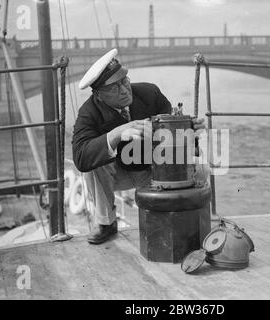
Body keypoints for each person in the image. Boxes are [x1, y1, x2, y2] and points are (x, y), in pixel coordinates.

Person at [72, 49, 205, 245]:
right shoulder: (88, 113)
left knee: (201, 165)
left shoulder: (149, 93)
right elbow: (81, 158)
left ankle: (197, 221)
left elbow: (174, 142)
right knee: (93, 163)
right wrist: (115, 134)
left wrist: (188, 129)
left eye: (124, 81)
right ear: (99, 95)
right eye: (115, 88)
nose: (125, 89)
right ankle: (106, 223)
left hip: (153, 169)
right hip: (118, 174)